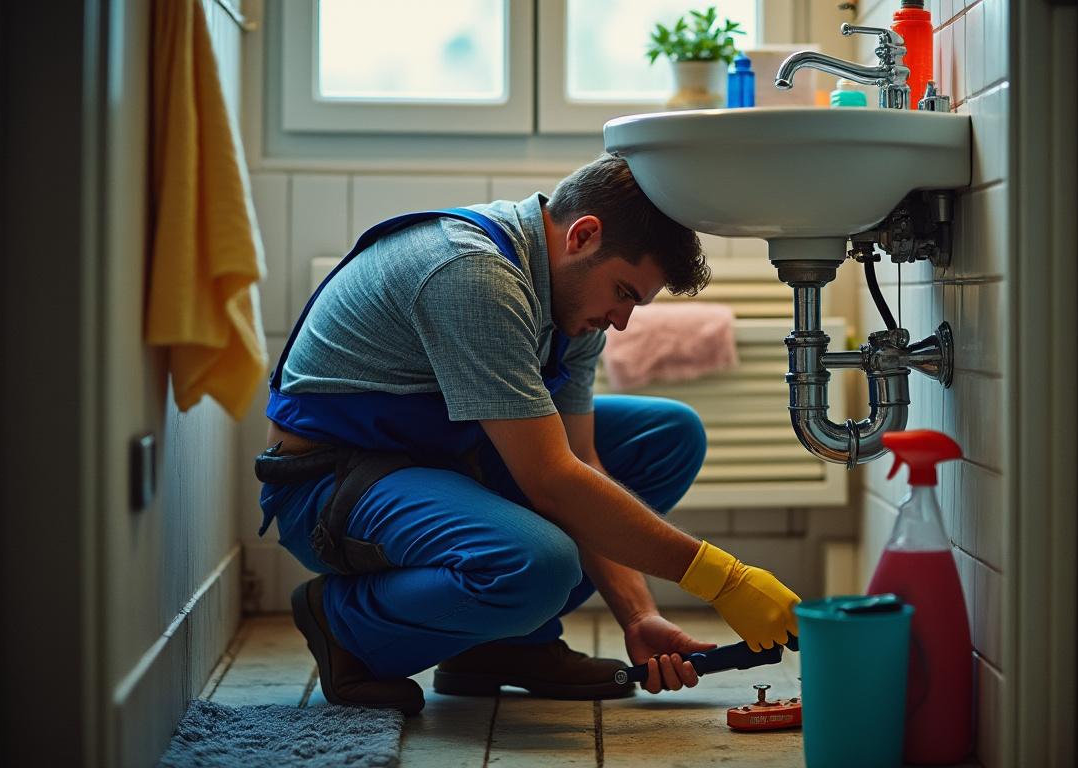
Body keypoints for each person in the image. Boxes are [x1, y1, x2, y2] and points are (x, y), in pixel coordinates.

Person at [254, 153, 801, 715]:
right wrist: (724, 580)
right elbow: (552, 481)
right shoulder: (470, 274)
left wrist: (639, 616)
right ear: (583, 236)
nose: (622, 321)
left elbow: (580, 461)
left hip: (436, 465)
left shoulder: (568, 301)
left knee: (665, 435)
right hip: (329, 488)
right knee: (539, 565)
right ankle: (345, 625)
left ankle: (503, 646)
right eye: (625, 293)